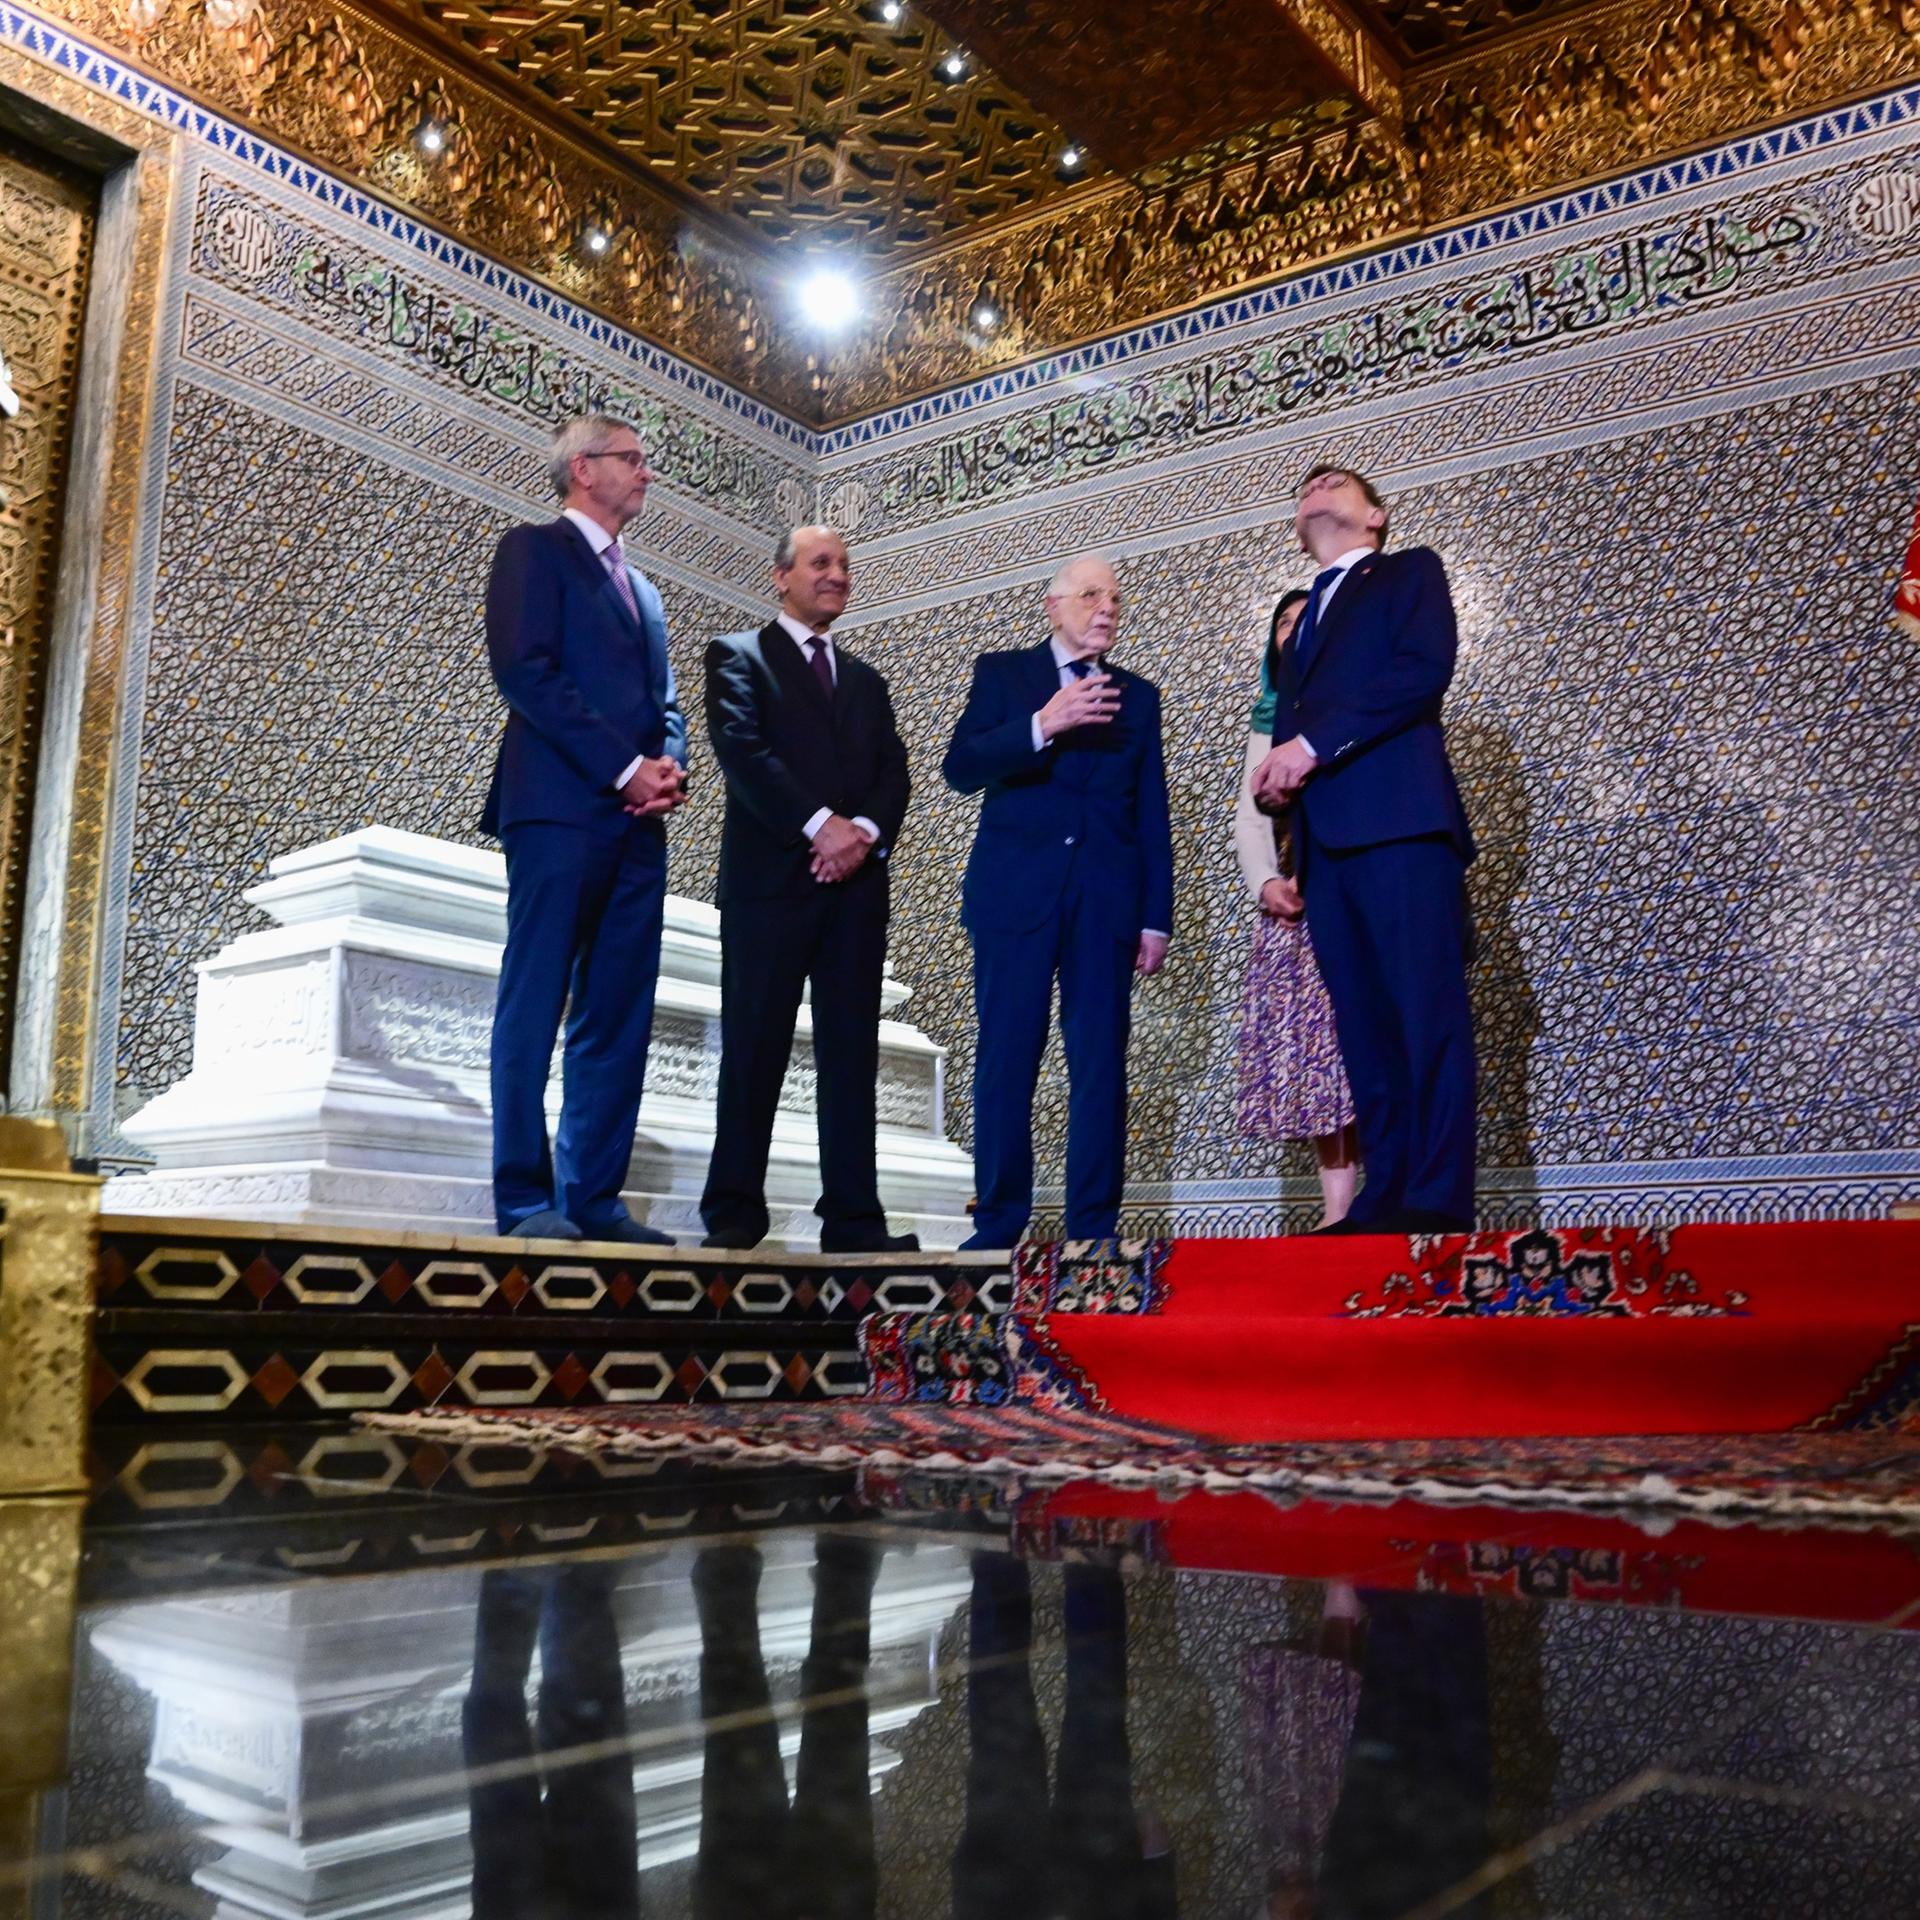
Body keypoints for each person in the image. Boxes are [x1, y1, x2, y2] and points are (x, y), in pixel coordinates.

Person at [1252, 464, 1476, 1234]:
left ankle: (1439, 1199)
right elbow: (1289, 732)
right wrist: (1274, 786)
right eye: (1303, 487)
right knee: (1364, 1030)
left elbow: (1422, 673)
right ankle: (1385, 1196)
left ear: (1376, 517)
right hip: (1326, 849)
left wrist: (1309, 747)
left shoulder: (1409, 572)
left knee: (1424, 1016)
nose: (1314, 487)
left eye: (1336, 483)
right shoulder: (1302, 615)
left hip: (1402, 827)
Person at [482, 413, 687, 1244]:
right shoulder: (533, 550)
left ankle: (595, 1198)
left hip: (637, 827)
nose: (645, 473)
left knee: (617, 1009)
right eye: (631, 459)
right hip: (558, 811)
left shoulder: (644, 590)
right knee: (535, 999)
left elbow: (664, 703)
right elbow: (525, 672)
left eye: (645, 459)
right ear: (581, 469)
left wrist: (665, 770)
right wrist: (621, 766)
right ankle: (524, 1198)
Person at [942, 552, 1173, 1250]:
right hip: (1015, 898)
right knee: (1007, 1057)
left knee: (1100, 1063)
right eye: (1092, 595)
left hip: (1105, 904)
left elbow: (1150, 812)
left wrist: (1154, 914)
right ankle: (999, 1224)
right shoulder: (1004, 674)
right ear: (1055, 605)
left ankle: (1093, 1229)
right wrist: (1043, 723)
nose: (1107, 608)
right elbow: (960, 767)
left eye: (1116, 599)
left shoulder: (1141, 696)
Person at [699, 526, 917, 1253]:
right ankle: (734, 1211)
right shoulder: (737, 656)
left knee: (852, 1053)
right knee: (754, 1046)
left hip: (854, 891)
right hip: (770, 886)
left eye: (846, 565)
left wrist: (860, 836)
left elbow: (895, 775)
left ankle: (854, 1220)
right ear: (780, 577)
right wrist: (821, 826)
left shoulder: (866, 681)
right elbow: (744, 753)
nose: (837, 575)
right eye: (821, 563)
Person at [1233, 587, 1359, 1226]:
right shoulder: (1267, 718)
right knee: (1316, 1065)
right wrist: (1265, 883)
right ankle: (1338, 1209)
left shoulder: (1350, 704)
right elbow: (1250, 821)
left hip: (1352, 900)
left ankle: (1385, 1192)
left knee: (1359, 1050)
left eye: (1303, 620)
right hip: (1293, 913)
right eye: (1282, 622)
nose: (1292, 630)